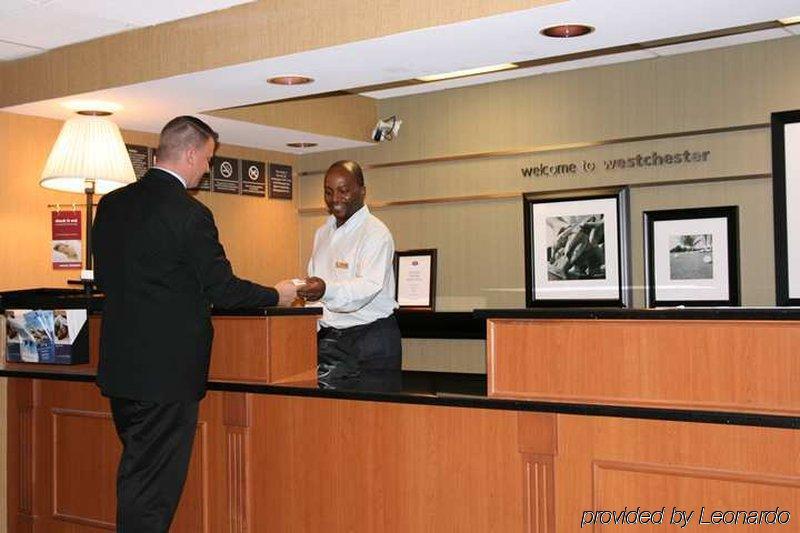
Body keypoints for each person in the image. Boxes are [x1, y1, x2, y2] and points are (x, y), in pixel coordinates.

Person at [92, 115, 297, 532]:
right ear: (188, 154)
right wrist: (278, 295)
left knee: (137, 477)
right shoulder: (190, 214)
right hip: (166, 378)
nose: (206, 169)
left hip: (121, 372)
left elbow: (108, 279)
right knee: (152, 491)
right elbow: (223, 289)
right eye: (206, 160)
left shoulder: (111, 206)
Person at [297, 160, 401, 385]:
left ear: (362, 192)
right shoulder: (322, 233)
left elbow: (367, 287)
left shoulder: (376, 233)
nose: (335, 199)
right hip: (330, 339)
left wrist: (325, 290)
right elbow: (315, 291)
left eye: (343, 191)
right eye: (328, 192)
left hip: (370, 340)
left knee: (372, 417)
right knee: (330, 415)